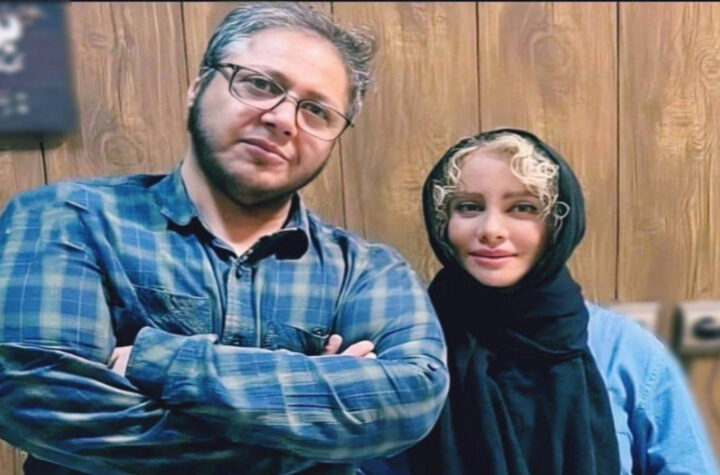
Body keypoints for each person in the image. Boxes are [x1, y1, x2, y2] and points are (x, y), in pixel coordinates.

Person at [0, 3, 448, 474]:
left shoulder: (367, 271)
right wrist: (311, 435)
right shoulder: (68, 219)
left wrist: (160, 361)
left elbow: (410, 399)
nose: (283, 119)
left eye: (317, 110)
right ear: (197, 89)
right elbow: (36, 396)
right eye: (260, 84)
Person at [399, 128, 718, 474]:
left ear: (557, 224)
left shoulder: (624, 351)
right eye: (469, 207)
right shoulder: (409, 348)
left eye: (522, 208)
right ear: (443, 222)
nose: (491, 229)